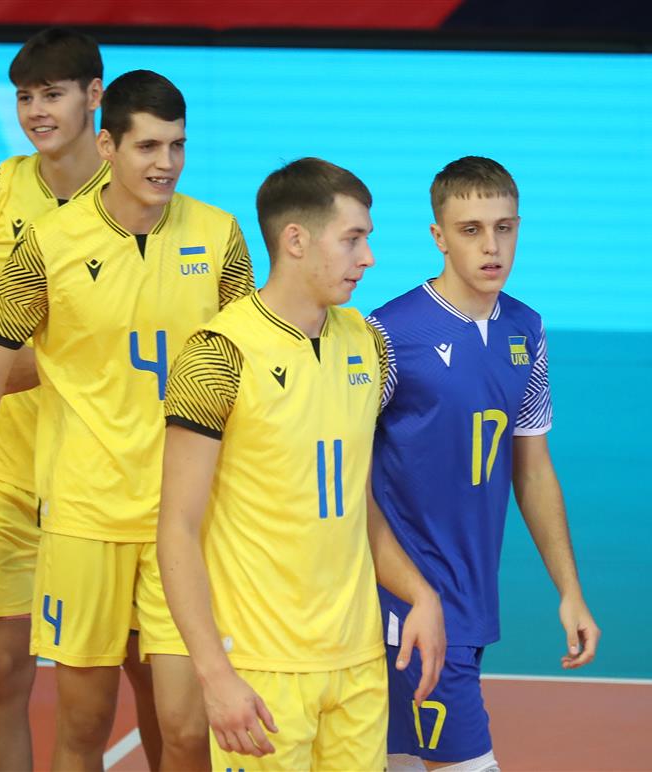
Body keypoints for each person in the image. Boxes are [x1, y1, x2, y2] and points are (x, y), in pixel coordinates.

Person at [0, 69, 255, 770]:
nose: (165, 163)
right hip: (83, 517)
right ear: (107, 146)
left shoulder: (219, 235)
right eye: (148, 146)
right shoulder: (48, 243)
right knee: (84, 725)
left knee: (188, 728)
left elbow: (251, 366)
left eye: (177, 146)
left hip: (182, 518)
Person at [157, 157, 446, 770]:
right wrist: (215, 674)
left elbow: (354, 503)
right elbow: (176, 528)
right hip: (262, 672)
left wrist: (420, 594)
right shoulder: (217, 354)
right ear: (295, 240)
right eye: (352, 239)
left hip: (357, 663)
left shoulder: (366, 343)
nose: (368, 258)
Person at [0, 28, 162, 771]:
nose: (36, 111)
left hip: (101, 474)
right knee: (1, 672)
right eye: (25, 97)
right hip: (7, 467)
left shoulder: (138, 199)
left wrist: (36, 368)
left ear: (94, 97)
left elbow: (131, 342)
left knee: (147, 677)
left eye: (53, 95)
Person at [368, 156, 600, 771]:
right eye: (470, 230)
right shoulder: (387, 334)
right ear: (438, 237)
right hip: (407, 604)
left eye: (504, 228)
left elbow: (533, 470)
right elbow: (346, 469)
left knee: (394, 761)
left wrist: (569, 591)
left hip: (471, 600)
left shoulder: (526, 329)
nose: (491, 246)